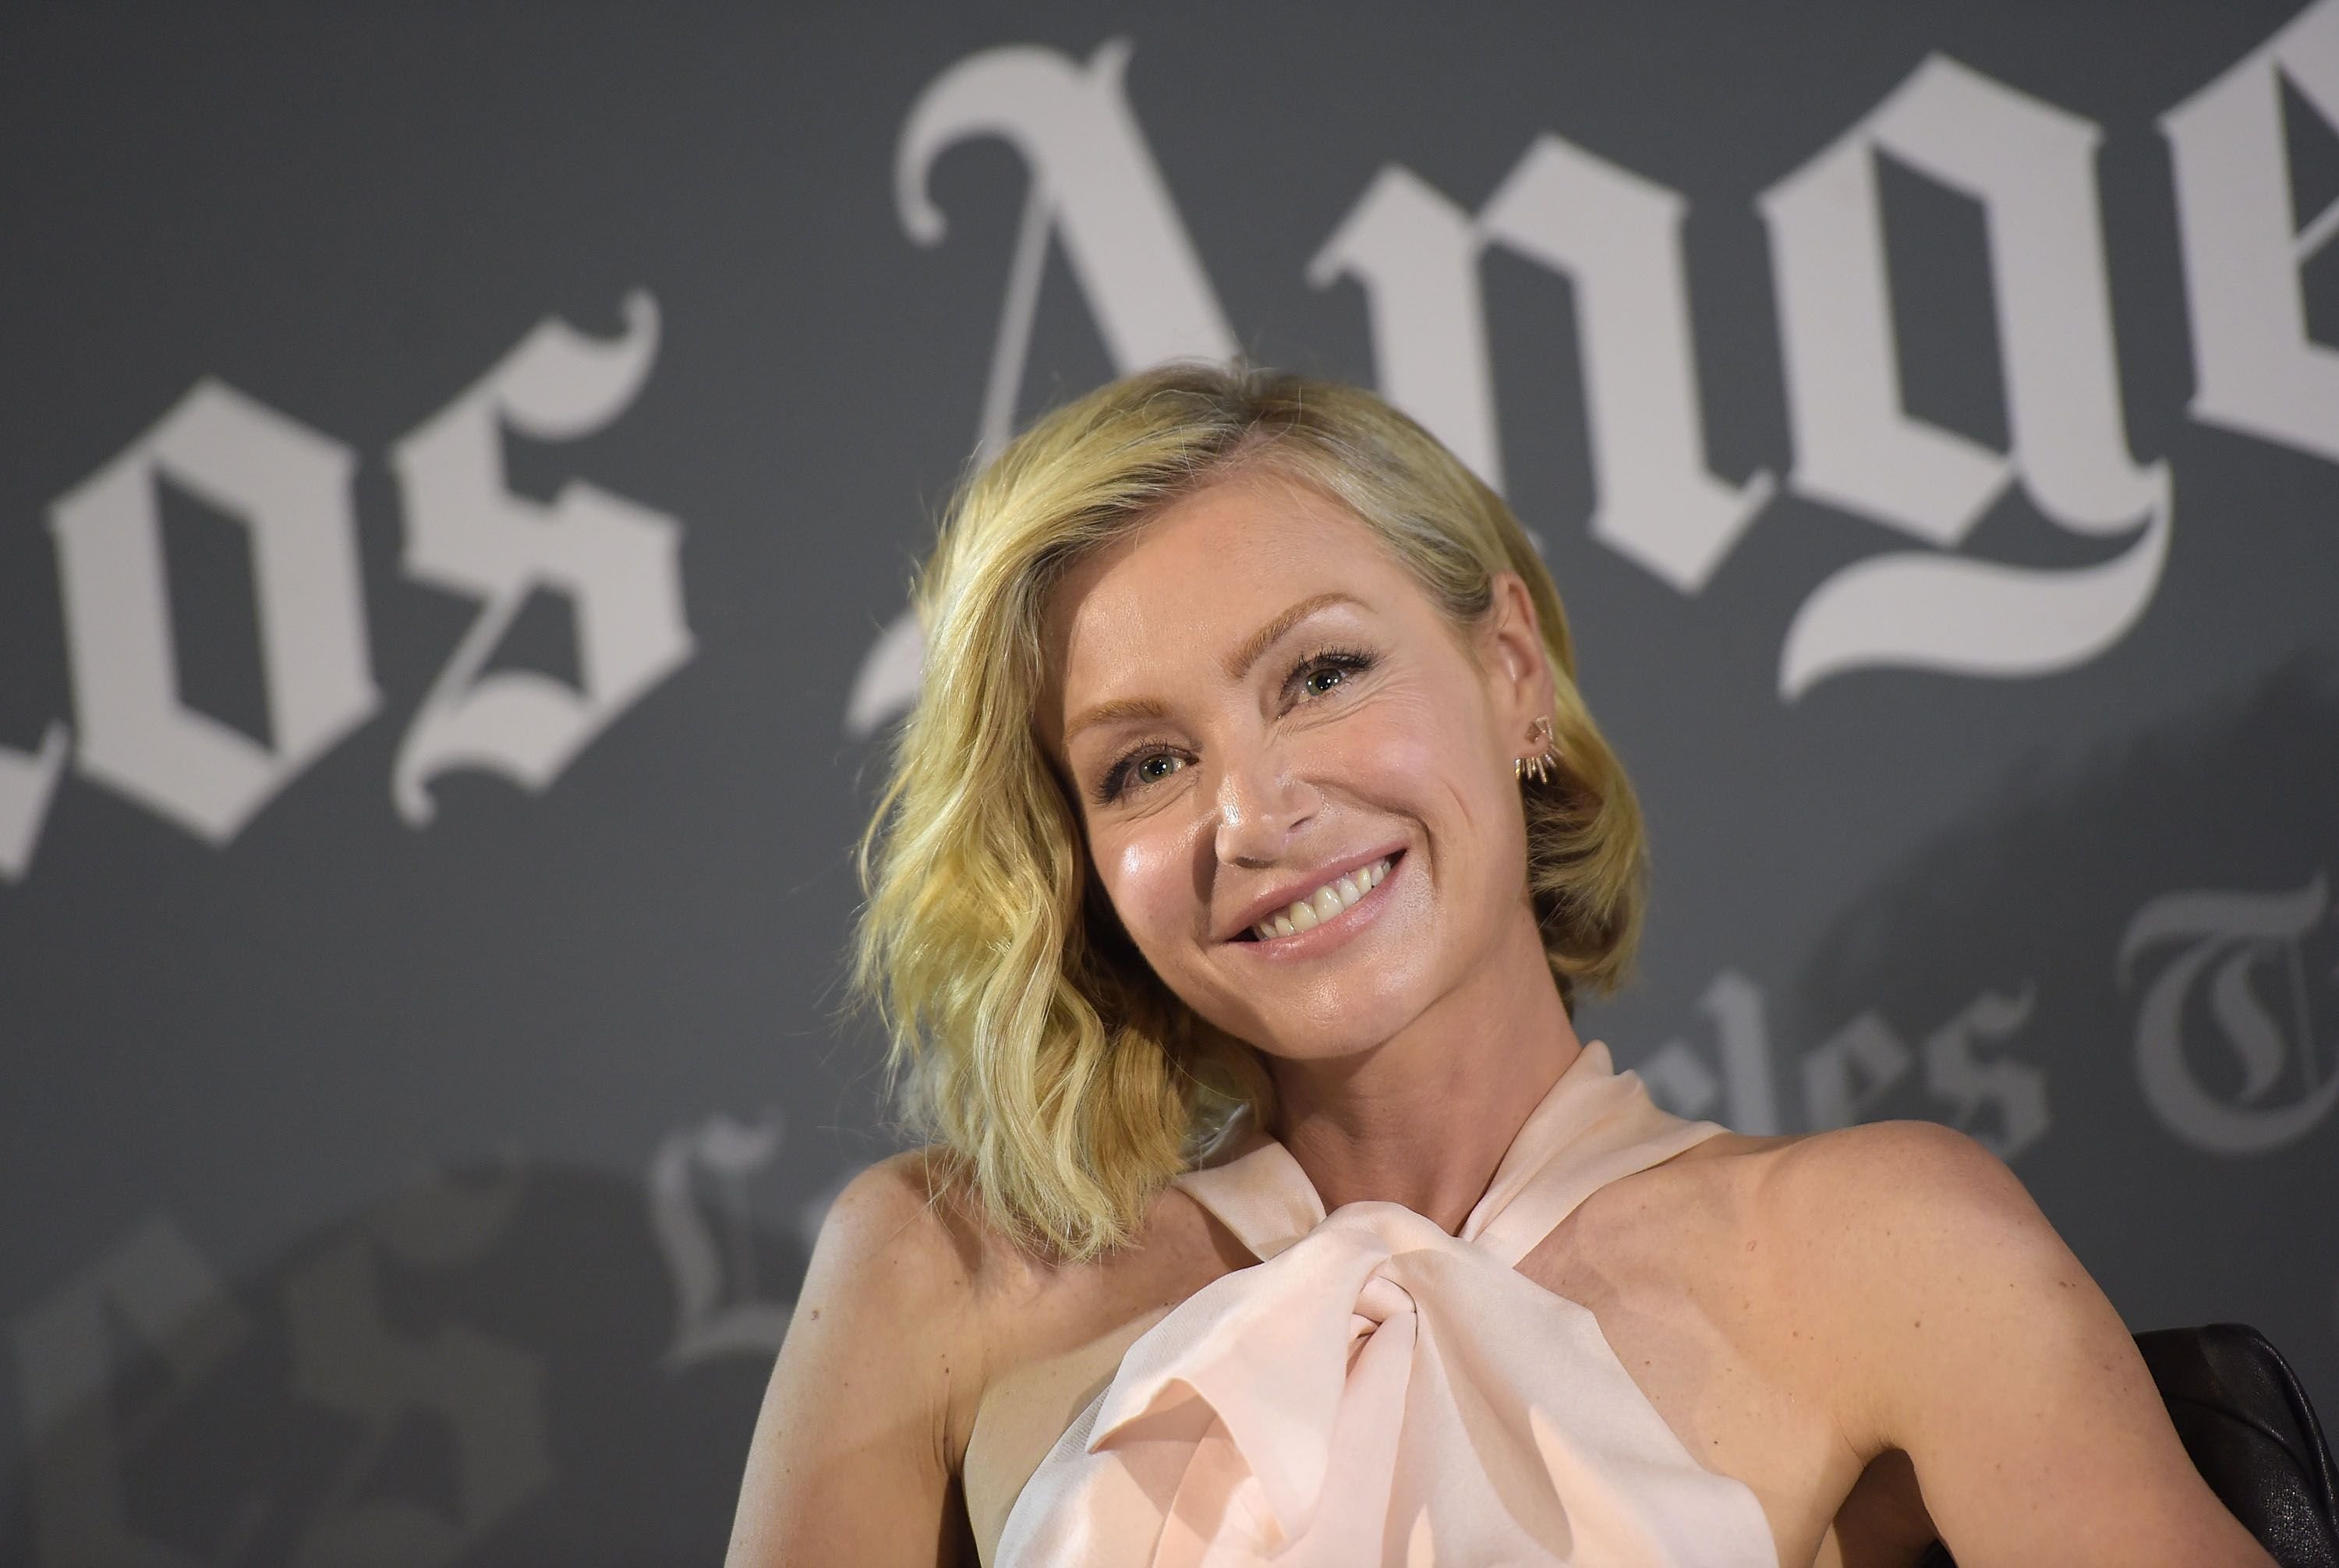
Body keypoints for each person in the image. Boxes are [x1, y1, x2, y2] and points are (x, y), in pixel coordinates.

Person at [726, 363, 2273, 1566]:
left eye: (1322, 674)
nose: (1254, 816)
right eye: (1144, 764)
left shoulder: (1882, 1253)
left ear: (1513, 677)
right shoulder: (938, 1277)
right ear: (1076, 859)